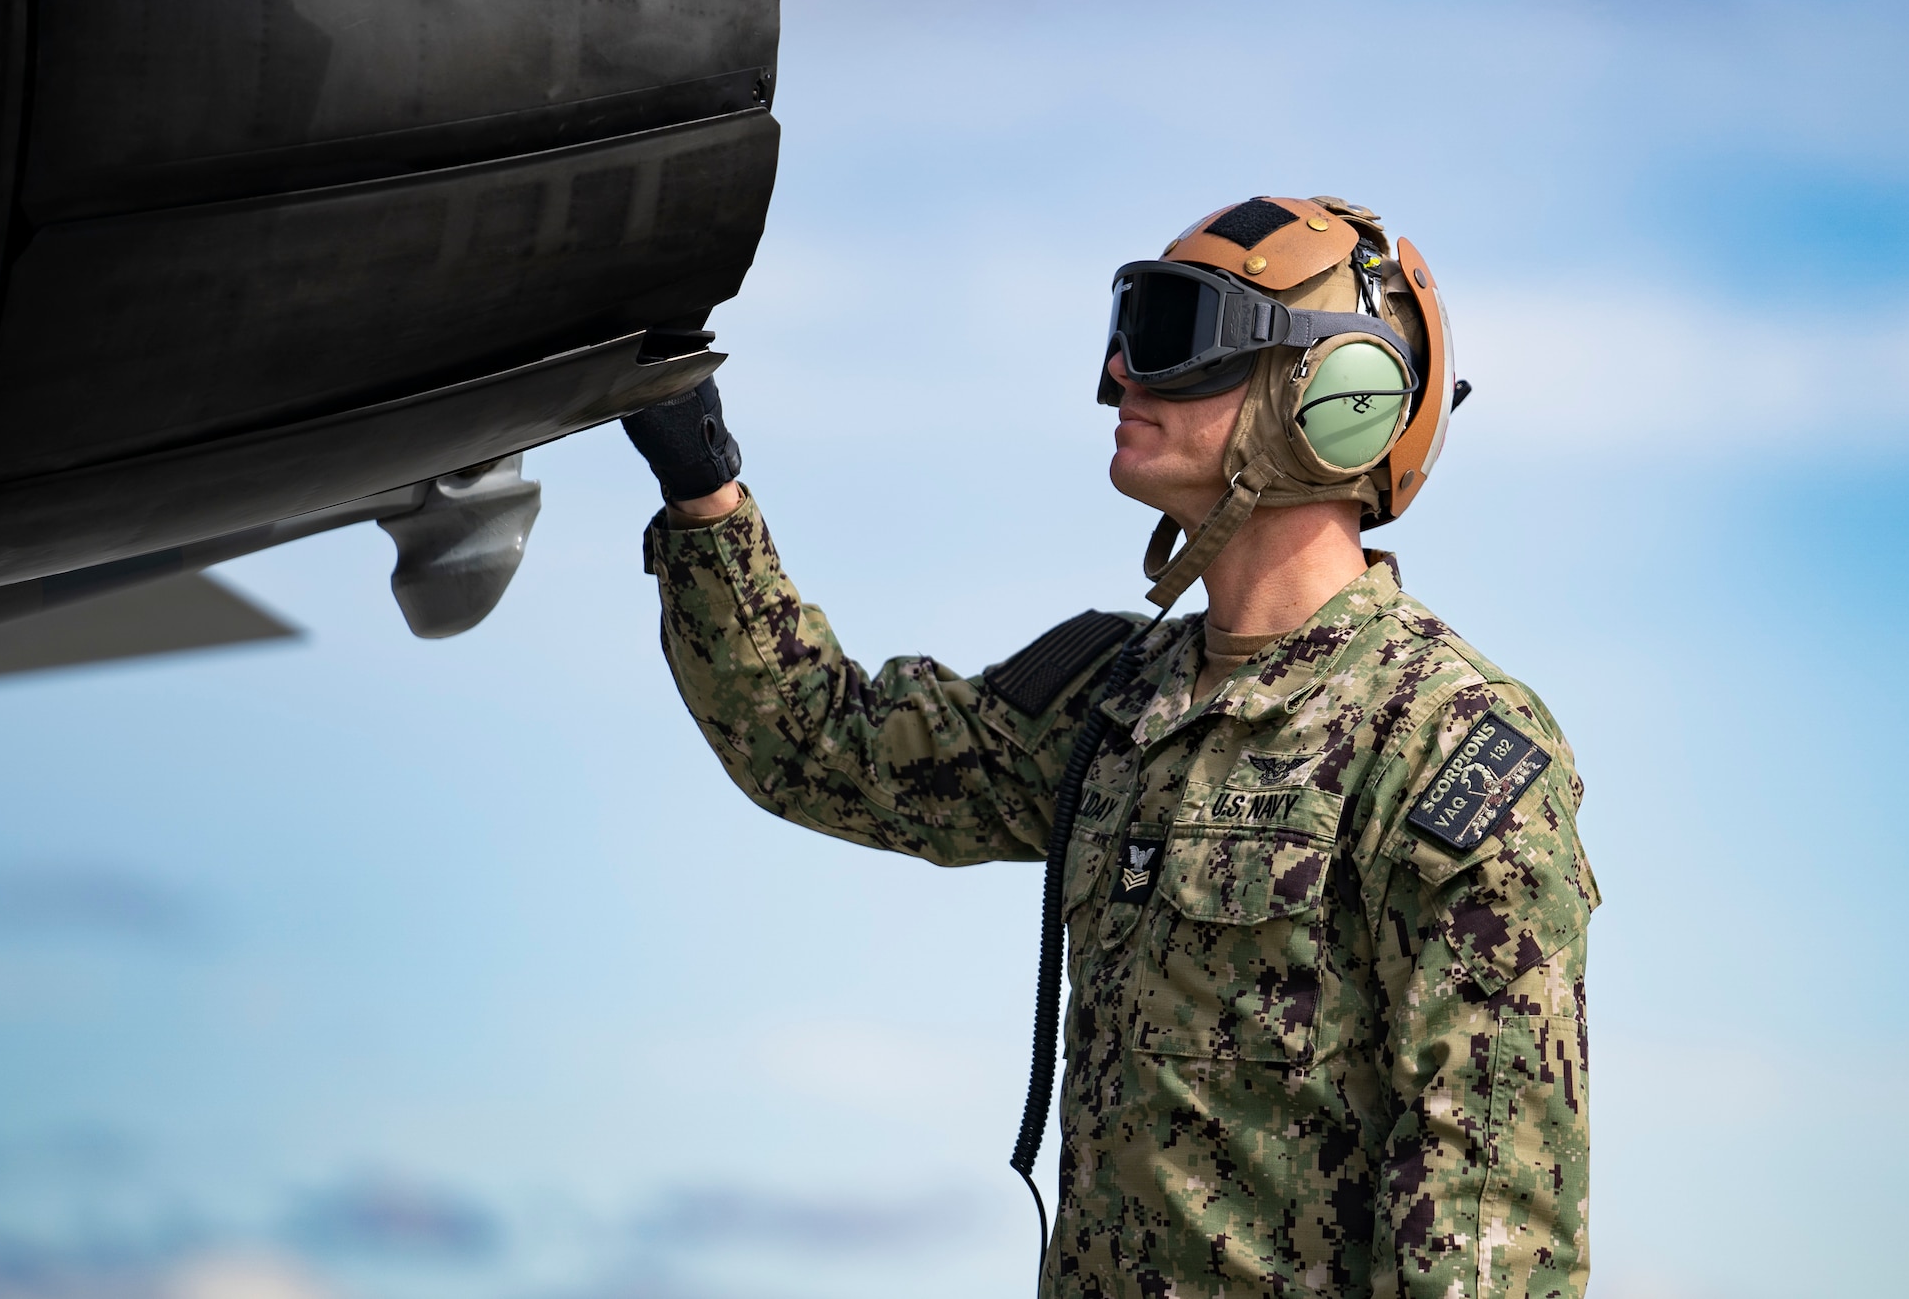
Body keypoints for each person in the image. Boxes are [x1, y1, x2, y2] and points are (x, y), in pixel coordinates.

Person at [622, 196, 1599, 1299]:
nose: (1120, 376)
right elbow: (817, 744)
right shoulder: (1112, 700)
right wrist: (702, 486)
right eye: (1126, 328)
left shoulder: (1444, 743)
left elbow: (1484, 1231)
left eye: (1177, 337)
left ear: (1334, 399)